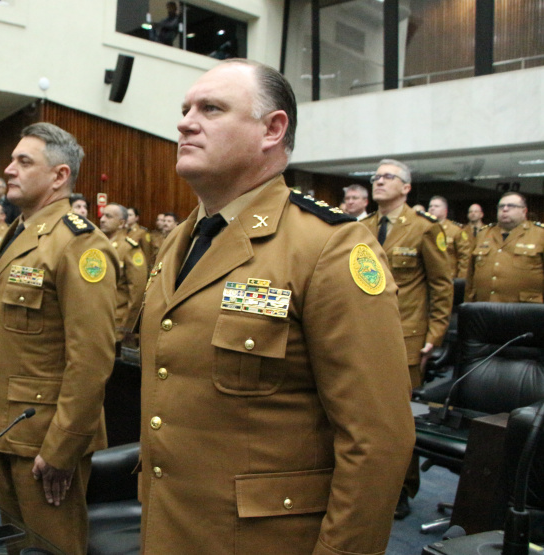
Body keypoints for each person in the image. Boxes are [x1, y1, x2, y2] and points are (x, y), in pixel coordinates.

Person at [139, 59, 414, 555]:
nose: (184, 121)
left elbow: (377, 441)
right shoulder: (178, 242)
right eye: (184, 109)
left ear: (273, 129)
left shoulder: (329, 247)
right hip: (169, 526)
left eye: (211, 108)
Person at [0, 123, 117, 555]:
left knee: (52, 548)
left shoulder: (79, 245)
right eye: (11, 159)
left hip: (46, 438)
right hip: (8, 426)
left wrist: (63, 449)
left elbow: (91, 359)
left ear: (59, 176)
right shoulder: (16, 234)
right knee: (19, 547)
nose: (8, 170)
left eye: (23, 161)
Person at [362, 158, 452, 519]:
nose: (379, 181)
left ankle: (401, 489)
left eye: (388, 177)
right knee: (362, 413)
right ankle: (366, 484)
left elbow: (441, 286)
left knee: (399, 419)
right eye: (376, 176)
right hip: (365, 334)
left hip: (406, 336)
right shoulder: (361, 226)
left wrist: (435, 336)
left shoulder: (425, 228)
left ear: (406, 187)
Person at [466, 192, 544, 303]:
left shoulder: (539, 234)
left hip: (526, 311)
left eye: (511, 206)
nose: (505, 209)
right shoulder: (483, 234)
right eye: (501, 206)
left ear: (524, 211)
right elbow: (470, 277)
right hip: (485, 307)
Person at [99, 203, 147, 338]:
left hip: (118, 321)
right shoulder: (100, 246)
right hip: (99, 318)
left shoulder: (129, 248)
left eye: (108, 216)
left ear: (121, 223)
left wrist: (129, 326)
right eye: (102, 215)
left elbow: (137, 291)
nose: (102, 220)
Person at [427, 195, 472, 279]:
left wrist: (461, 281)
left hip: (449, 279)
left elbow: (465, 258)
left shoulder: (455, 230)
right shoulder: (423, 229)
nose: (432, 208)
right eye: (430, 206)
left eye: (436, 206)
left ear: (445, 210)